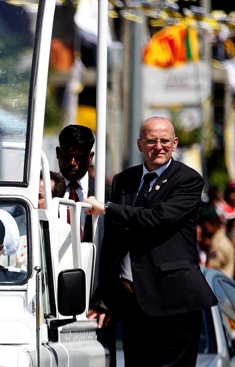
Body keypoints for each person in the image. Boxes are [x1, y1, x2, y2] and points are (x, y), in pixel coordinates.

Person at [84, 116, 217, 367]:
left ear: (175, 143)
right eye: (152, 141)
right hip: (133, 302)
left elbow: (157, 218)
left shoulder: (187, 180)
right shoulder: (124, 180)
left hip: (173, 301)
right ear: (139, 145)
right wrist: (105, 299)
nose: (159, 147)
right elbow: (114, 242)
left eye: (165, 141)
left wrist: (108, 208)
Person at [55, 124, 99, 241]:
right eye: (67, 156)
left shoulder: (105, 193)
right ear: (58, 153)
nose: (72, 162)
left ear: (90, 157)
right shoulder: (43, 192)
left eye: (78, 157)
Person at [200, 205, 235, 278]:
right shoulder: (222, 239)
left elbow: (209, 271)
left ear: (214, 224)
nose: (203, 231)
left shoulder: (218, 244)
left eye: (205, 227)